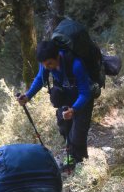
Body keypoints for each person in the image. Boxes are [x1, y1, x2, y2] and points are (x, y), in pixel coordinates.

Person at [18, 40, 96, 169]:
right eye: (44, 65)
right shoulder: (46, 64)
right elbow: (40, 78)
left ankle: (81, 164)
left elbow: (85, 93)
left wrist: (74, 109)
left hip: (83, 100)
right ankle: (71, 157)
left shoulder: (76, 65)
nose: (47, 67)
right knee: (64, 127)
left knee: (78, 134)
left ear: (57, 56)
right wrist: (27, 96)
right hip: (66, 96)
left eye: (49, 63)